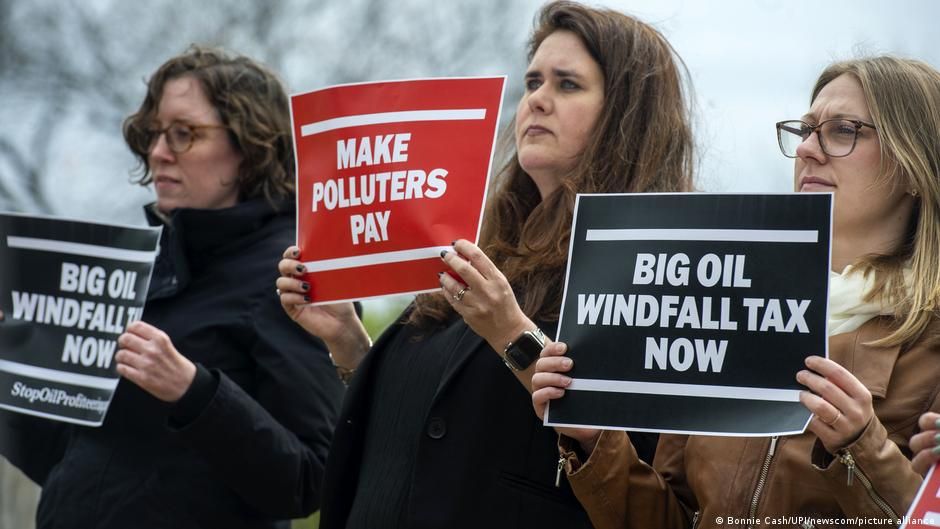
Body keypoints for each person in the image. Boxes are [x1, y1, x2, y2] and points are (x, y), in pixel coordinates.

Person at [276, 2, 694, 528]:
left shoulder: (653, 268)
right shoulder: (475, 243)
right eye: (533, 81)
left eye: (567, 85)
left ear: (628, 115)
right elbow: (431, 416)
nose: (537, 100)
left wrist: (512, 334)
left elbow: (625, 451)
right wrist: (347, 341)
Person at [532, 55, 940, 528]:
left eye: (844, 130)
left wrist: (862, 445)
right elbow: (675, 518)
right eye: (805, 130)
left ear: (915, 164)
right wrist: (595, 440)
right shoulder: (728, 306)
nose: (808, 149)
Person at [1, 46, 344, 528]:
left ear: (250, 148)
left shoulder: (290, 272)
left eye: (184, 134)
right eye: (154, 133)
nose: (158, 152)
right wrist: (16, 370)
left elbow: (309, 479)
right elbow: (76, 463)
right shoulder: (140, 267)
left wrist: (195, 391)